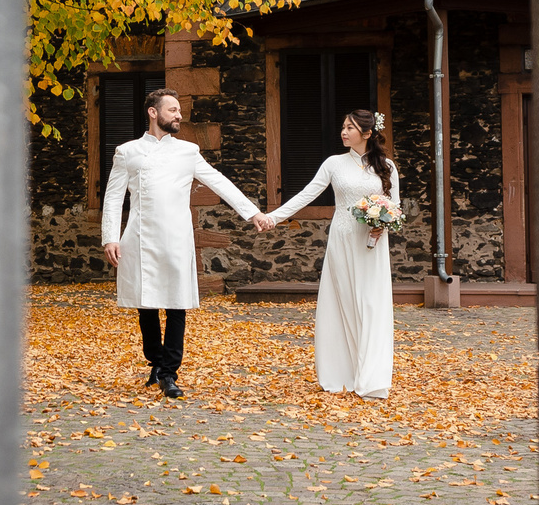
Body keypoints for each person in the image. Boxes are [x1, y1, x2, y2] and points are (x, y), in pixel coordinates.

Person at [101, 88, 264, 398]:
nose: (178, 115)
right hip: (138, 236)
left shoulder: (188, 151)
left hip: (177, 236)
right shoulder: (127, 151)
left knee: (177, 303)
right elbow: (112, 197)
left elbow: (219, 182)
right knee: (145, 303)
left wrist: (252, 213)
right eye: (172, 110)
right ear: (153, 112)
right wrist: (110, 237)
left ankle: (169, 371)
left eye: (178, 110)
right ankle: (156, 361)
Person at [255, 109, 399, 399]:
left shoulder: (386, 167)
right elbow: (307, 194)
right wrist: (273, 217)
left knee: (371, 304)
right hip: (343, 239)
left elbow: (395, 205)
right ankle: (342, 372)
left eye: (350, 127)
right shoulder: (334, 164)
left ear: (368, 133)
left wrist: (382, 226)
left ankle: (371, 376)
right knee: (344, 301)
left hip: (372, 244)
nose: (343, 132)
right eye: (343, 126)